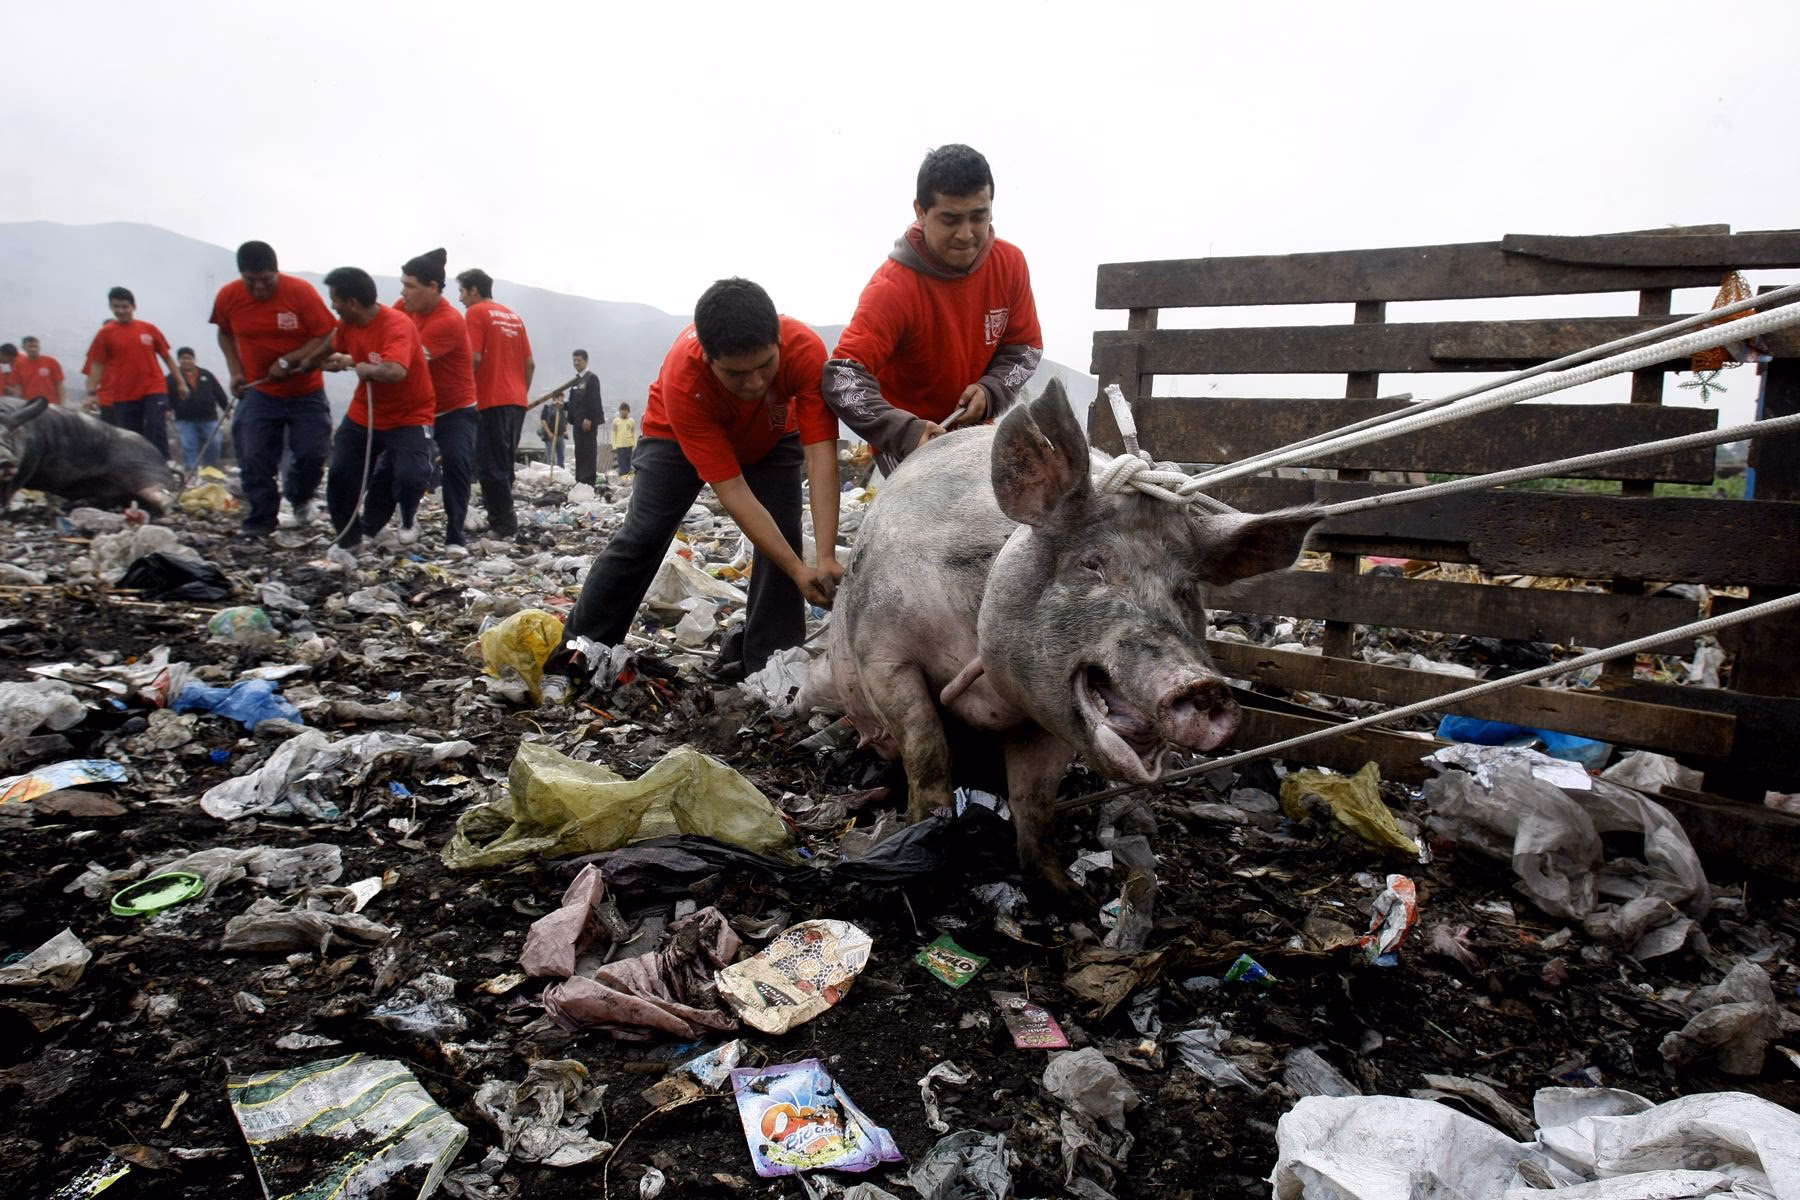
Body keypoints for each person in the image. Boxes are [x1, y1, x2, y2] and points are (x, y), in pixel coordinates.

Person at [560, 278, 842, 680]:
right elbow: (732, 490)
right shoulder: (684, 376)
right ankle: (579, 652)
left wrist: (826, 557)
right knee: (644, 535)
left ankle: (771, 666)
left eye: (765, 366)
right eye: (736, 374)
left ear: (778, 341)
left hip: (771, 433)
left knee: (784, 531)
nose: (755, 383)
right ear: (708, 358)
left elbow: (820, 454)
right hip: (673, 435)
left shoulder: (804, 349)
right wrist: (800, 572)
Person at [823, 143, 1043, 473]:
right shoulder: (893, 288)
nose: (966, 234)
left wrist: (991, 390)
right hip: (908, 449)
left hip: (973, 437)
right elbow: (842, 376)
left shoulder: (1009, 264)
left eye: (978, 217)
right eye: (950, 219)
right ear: (921, 212)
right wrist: (906, 430)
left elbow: (1024, 349)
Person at [210, 241, 338, 537]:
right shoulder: (229, 296)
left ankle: (299, 495)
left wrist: (289, 360)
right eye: (250, 281)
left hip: (305, 391)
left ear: (276, 272)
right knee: (253, 454)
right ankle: (261, 518)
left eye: (265, 280)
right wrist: (236, 372)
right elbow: (225, 333)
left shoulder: (300, 292)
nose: (258, 288)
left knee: (312, 452)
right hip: (259, 392)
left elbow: (327, 334)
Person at [319, 267, 436, 551]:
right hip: (365, 414)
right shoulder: (347, 323)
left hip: (410, 415)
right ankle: (349, 539)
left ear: (353, 303)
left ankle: (408, 516)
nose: (333, 306)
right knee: (341, 474)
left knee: (411, 475)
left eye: (335, 300)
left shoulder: (397, 325)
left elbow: (395, 370)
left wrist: (357, 365)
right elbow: (329, 346)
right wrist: (309, 362)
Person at [397, 248, 479, 554]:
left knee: (457, 463)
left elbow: (406, 360)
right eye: (403, 285)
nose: (403, 292)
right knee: (411, 469)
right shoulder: (400, 310)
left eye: (410, 285)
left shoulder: (448, 320)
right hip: (419, 408)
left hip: (455, 408)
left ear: (432, 287)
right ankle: (407, 517)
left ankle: (455, 534)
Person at [457, 268, 534, 539]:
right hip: (515, 400)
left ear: (474, 290)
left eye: (462, 292)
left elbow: (473, 358)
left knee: (490, 466)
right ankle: (502, 516)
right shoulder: (513, 316)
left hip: (490, 399)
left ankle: (503, 524)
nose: (460, 299)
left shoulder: (476, 313)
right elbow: (529, 363)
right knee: (503, 464)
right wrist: (520, 393)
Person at [84, 286, 187, 458]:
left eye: (125, 307)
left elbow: (167, 357)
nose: (121, 311)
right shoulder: (105, 334)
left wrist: (181, 383)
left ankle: (164, 464)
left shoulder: (149, 329)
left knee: (155, 426)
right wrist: (91, 393)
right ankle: (140, 470)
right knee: (131, 435)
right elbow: (97, 365)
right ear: (111, 307)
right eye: (116, 307)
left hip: (153, 388)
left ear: (133, 306)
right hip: (123, 393)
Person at [166, 347, 232, 471]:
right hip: (185, 419)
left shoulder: (206, 375)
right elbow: (166, 396)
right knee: (189, 445)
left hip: (209, 418)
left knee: (214, 442)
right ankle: (192, 471)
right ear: (179, 360)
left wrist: (226, 408)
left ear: (194, 359)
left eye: (189, 358)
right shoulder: (172, 378)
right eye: (183, 358)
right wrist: (167, 409)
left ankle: (210, 470)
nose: (186, 361)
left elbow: (218, 392)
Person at [565, 349, 603, 485]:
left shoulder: (591, 378)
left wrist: (589, 418)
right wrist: (562, 406)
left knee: (588, 451)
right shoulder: (576, 381)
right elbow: (575, 403)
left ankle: (588, 481)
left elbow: (594, 400)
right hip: (577, 423)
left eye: (579, 360)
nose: (576, 363)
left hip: (587, 423)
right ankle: (580, 480)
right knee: (579, 452)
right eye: (574, 360)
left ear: (585, 361)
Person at [13, 337, 65, 405]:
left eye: (35, 346)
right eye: (29, 346)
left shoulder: (51, 362)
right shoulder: (19, 365)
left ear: (39, 347)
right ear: (23, 348)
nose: (33, 349)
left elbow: (59, 384)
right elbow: (18, 386)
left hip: (50, 402)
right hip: (29, 403)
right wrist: (18, 403)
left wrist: (62, 403)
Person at [538, 393, 568, 468]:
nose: (561, 400)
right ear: (555, 398)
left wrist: (565, 431)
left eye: (562, 398)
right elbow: (543, 421)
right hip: (550, 435)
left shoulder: (562, 410)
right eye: (560, 398)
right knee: (550, 456)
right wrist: (549, 433)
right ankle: (550, 470)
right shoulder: (548, 408)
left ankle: (560, 471)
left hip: (560, 435)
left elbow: (565, 422)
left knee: (561, 455)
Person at [611, 402, 637, 478]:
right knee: (622, 463)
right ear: (619, 411)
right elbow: (613, 434)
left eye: (626, 410)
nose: (624, 412)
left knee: (628, 462)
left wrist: (634, 444)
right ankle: (623, 478)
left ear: (628, 411)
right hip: (620, 446)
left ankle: (628, 480)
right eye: (622, 410)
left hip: (629, 445)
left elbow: (633, 433)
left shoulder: (631, 421)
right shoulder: (616, 421)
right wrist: (614, 445)